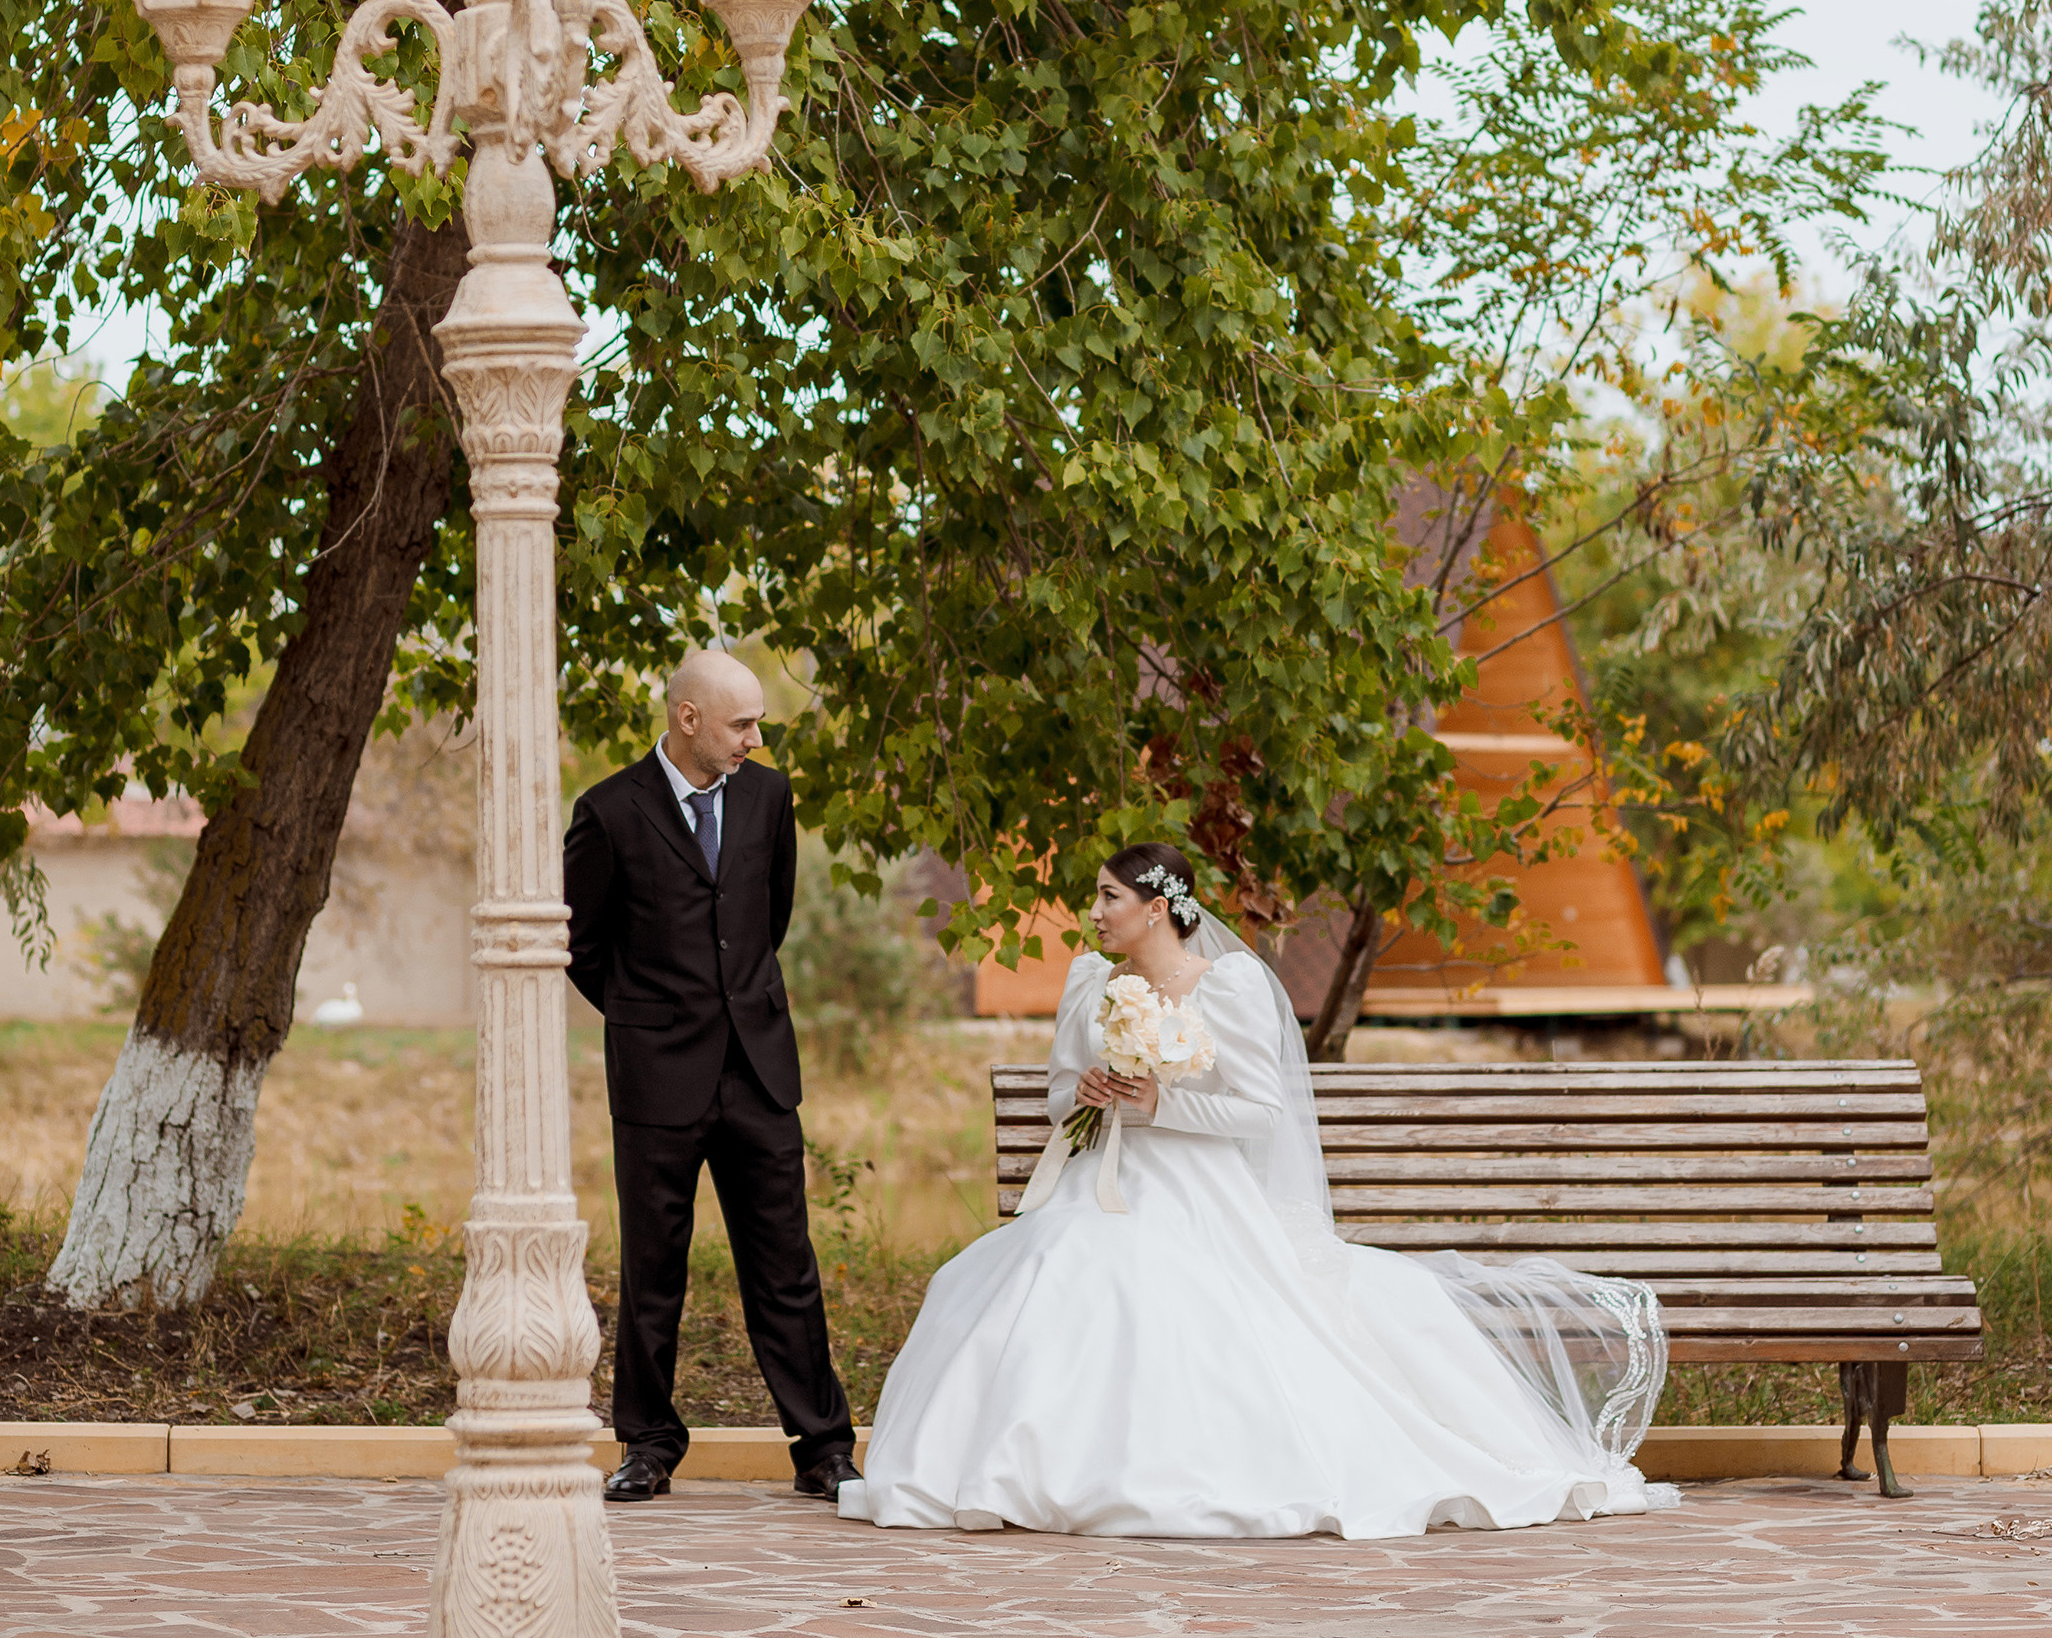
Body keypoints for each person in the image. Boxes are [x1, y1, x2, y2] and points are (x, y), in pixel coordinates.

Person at [842, 842, 1675, 1541]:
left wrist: (1161, 1100)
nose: (1093, 912)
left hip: (1198, 1191)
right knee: (1030, 1274)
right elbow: (1061, 1095)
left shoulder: (1228, 989)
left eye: (1107, 897)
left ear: (1158, 907)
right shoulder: (1089, 984)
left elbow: (1256, 1112)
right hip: (1102, 1182)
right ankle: (1015, 1467)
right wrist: (1092, 1091)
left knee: (1177, 1296)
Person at [564, 647, 859, 1506]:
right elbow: (580, 946)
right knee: (653, 1270)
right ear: (687, 717)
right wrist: (644, 1014)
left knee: (786, 1266)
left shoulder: (769, 797)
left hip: (760, 1070)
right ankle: (648, 1445)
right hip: (657, 1076)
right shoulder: (609, 810)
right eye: (741, 723)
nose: (755, 739)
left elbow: (771, 914)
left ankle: (823, 1448)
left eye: (757, 722)